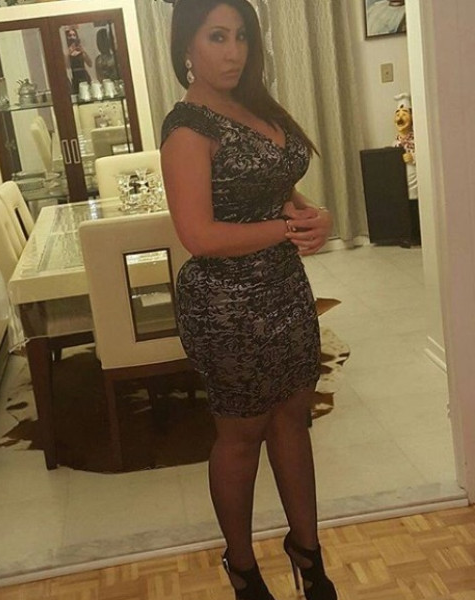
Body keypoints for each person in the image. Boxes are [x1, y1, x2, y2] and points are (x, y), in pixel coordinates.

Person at [160, 1, 337, 599]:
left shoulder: (255, 105)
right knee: (241, 436)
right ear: (187, 45)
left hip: (285, 290)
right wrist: (286, 231)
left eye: (241, 36)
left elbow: (278, 188)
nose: (233, 51)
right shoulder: (188, 126)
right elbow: (199, 236)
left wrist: (315, 215)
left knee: (293, 419)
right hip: (226, 306)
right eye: (217, 37)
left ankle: (307, 552)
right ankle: (242, 567)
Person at [393, 92, 421, 245]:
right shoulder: (395, 142)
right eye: (397, 114)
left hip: (416, 182)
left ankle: (419, 236)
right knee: (405, 210)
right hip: (402, 183)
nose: (400, 117)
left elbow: (426, 157)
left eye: (404, 113)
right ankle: (408, 236)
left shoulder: (418, 140)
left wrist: (413, 158)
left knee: (417, 208)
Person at [65, 27, 92, 94]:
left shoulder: (81, 50)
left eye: (74, 35)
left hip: (84, 75)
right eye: (70, 35)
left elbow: (90, 64)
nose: (72, 37)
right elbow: (67, 66)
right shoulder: (67, 52)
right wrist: (68, 54)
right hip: (75, 77)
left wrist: (83, 51)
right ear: (67, 38)